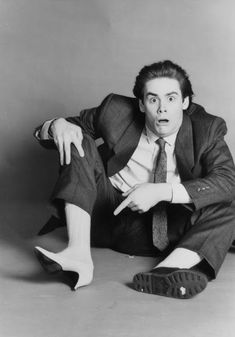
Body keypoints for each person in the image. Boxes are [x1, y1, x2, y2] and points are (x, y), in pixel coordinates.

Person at [34, 60, 235, 299]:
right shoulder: (115, 111)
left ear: (185, 102)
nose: (162, 108)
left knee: (226, 202)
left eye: (171, 99)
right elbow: (63, 130)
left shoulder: (207, 128)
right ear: (141, 104)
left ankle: (166, 272)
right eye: (153, 99)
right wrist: (56, 125)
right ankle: (78, 255)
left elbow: (227, 180)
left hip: (171, 230)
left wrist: (161, 192)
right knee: (79, 141)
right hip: (109, 215)